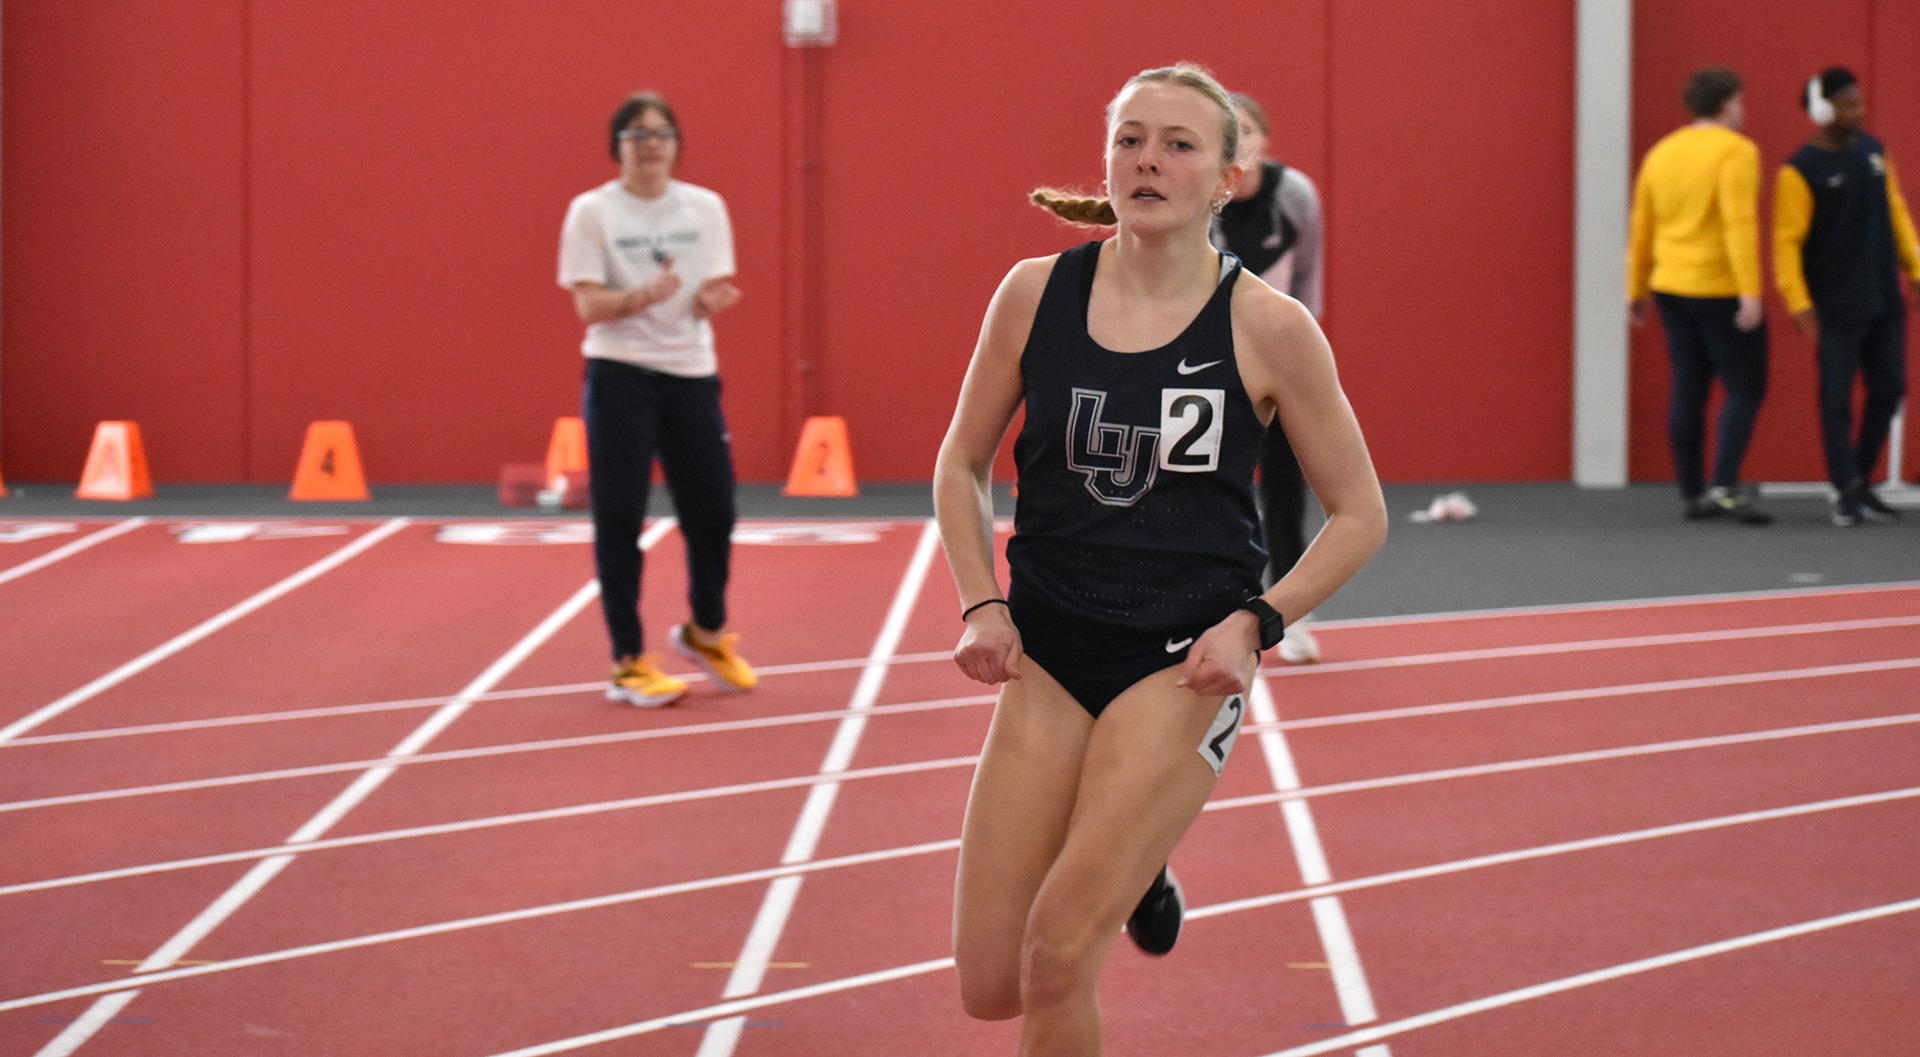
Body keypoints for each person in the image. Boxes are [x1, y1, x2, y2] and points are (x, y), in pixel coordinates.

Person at [932, 64, 1386, 1054]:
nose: (1148, 160)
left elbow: (1361, 514)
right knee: (990, 981)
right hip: (1048, 645)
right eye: (1130, 139)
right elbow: (961, 462)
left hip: (1183, 658)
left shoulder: (1269, 326)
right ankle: (1139, 868)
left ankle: (1122, 864)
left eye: (1179, 144)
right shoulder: (1034, 294)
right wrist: (980, 605)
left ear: (1227, 178)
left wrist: (1256, 624)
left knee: (1059, 951)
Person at [557, 91, 758, 707]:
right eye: (637, 135)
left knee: (714, 510)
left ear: (676, 144)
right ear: (617, 146)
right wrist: (644, 296)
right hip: (620, 373)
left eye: (662, 133)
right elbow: (588, 305)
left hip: (691, 371)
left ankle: (705, 630)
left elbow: (718, 278)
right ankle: (627, 659)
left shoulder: (706, 206)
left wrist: (710, 298)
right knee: (619, 516)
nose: (650, 144)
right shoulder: (592, 212)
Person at [1627, 66, 1774, 525]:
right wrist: (1750, 291)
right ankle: (1725, 486)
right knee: (1744, 386)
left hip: (1670, 285)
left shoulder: (1663, 152)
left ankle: (1693, 490)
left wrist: (1636, 289)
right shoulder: (1736, 152)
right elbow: (1738, 223)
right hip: (1718, 286)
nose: (1744, 110)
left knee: (1688, 384)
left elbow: (1642, 225)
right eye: (1740, 101)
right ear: (1727, 102)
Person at [1773, 67, 1920, 526]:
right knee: (1836, 399)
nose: (1860, 109)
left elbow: (1896, 213)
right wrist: (1798, 301)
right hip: (1836, 304)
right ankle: (1844, 491)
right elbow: (1786, 242)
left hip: (1883, 298)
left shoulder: (1876, 154)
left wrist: (1914, 266)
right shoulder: (1800, 171)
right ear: (1823, 110)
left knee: (1890, 387)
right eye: (1849, 102)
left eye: (1860, 101)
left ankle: (1859, 479)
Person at [1212, 91, 1327, 663]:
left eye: (1250, 130)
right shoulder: (1203, 199)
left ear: (1265, 137)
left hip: (1281, 363)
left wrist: (1302, 356)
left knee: (1284, 491)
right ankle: (1216, 605)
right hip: (1213, 366)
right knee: (1215, 489)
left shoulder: (1295, 195)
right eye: (1231, 132)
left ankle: (1290, 613)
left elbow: (1308, 279)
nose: (1244, 142)